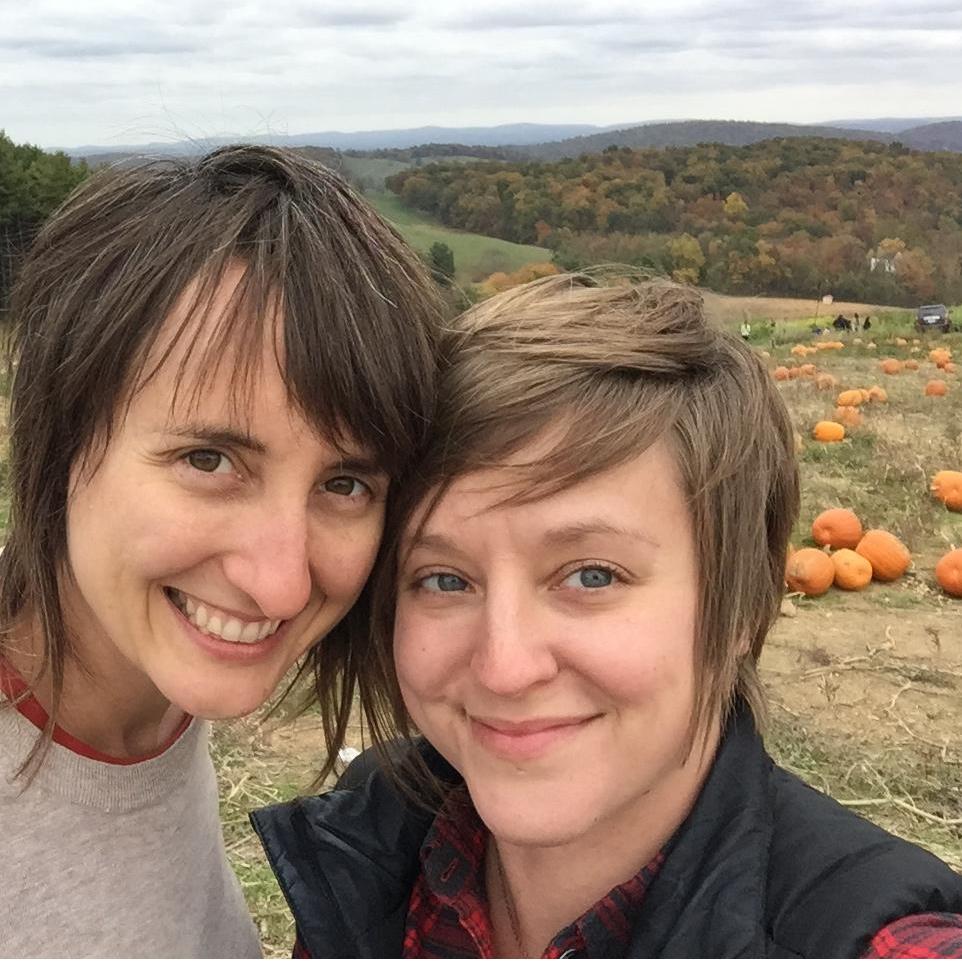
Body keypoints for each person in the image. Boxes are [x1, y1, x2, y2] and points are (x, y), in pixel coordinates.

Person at [254, 273, 962, 959]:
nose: (504, 667)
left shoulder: (866, 940)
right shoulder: (372, 848)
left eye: (592, 575)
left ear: (743, 603)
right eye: (444, 579)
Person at [0, 145, 441, 957]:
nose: (279, 586)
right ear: (59, 442)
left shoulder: (145, 690)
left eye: (345, 483)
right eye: (209, 461)